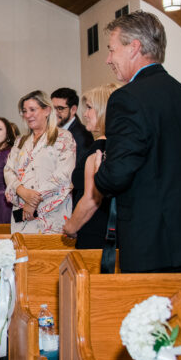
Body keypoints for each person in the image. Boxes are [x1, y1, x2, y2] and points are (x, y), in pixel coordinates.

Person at [93, 11, 181, 273]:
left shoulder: (127, 99)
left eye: (112, 50)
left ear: (134, 47)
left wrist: (100, 170)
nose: (108, 59)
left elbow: (116, 176)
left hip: (152, 244)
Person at [4, 90, 75, 234]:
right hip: (22, 216)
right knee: (22, 255)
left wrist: (33, 201)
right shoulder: (20, 141)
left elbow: (64, 175)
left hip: (52, 216)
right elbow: (9, 170)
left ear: (47, 110)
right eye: (24, 111)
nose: (27, 115)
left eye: (32, 110)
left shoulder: (63, 138)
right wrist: (21, 191)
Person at [62, 83, 118, 248]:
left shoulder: (100, 148)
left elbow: (92, 198)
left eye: (89, 108)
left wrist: (71, 227)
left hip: (95, 229)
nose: (85, 114)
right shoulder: (115, 144)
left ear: (104, 110)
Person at [51, 87, 93, 166]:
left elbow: (80, 170)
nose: (55, 113)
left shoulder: (82, 136)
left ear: (73, 110)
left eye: (60, 108)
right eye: (52, 108)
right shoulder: (52, 130)